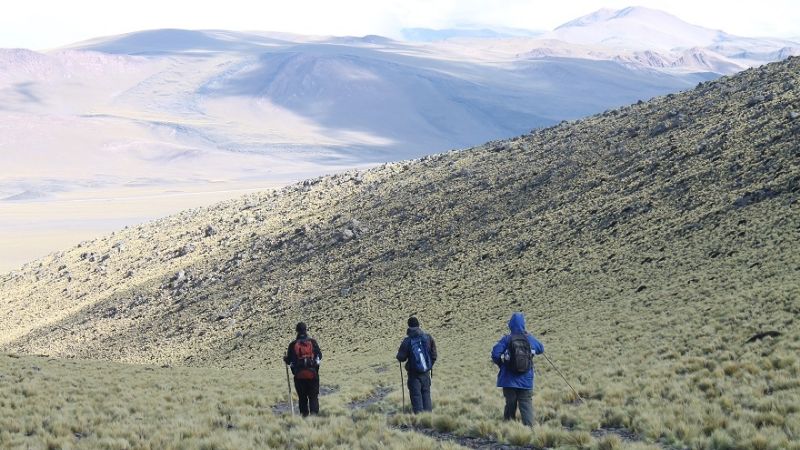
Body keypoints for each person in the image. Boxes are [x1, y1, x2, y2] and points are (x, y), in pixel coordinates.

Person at [491, 312, 544, 426]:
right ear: (523, 324)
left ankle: (509, 428)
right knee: (526, 404)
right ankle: (530, 430)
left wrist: (502, 365)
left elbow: (495, 354)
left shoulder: (507, 339)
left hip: (508, 379)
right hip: (526, 379)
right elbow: (541, 348)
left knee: (510, 404)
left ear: (510, 325)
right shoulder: (529, 338)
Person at [396, 316, 437, 413]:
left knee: (416, 395)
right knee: (426, 394)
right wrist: (428, 366)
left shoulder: (407, 341)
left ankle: (420, 421)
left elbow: (401, 357)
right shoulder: (428, 337)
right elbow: (434, 355)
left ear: (409, 326)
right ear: (418, 325)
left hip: (414, 374)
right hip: (426, 373)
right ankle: (428, 419)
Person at [283, 322, 323, 417]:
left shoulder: (293, 345)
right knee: (313, 397)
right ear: (306, 330)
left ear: (296, 331)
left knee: (302, 398)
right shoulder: (313, 342)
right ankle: (314, 418)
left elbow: (289, 361)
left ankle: (304, 418)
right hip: (313, 375)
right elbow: (320, 356)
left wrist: (285, 358)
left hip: (299, 376)